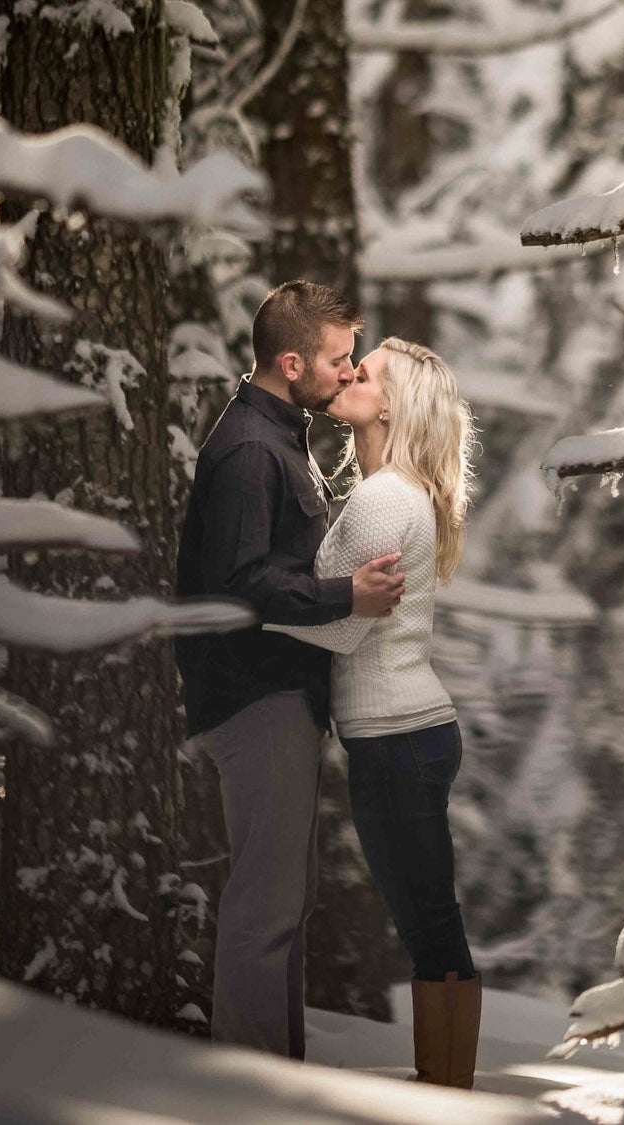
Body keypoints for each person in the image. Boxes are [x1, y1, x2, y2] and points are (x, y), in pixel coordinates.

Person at [175, 281, 407, 1059]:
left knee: (287, 901)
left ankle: (282, 1082)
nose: (348, 371)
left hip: (282, 698)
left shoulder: (282, 435)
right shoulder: (248, 449)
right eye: (338, 359)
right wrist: (351, 595)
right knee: (264, 908)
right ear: (289, 360)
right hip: (255, 700)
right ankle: (249, 1092)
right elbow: (243, 582)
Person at [269, 337, 482, 1090]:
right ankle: (447, 1086)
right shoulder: (390, 490)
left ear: (391, 404)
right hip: (407, 734)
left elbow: (338, 624)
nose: (350, 373)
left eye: (368, 372)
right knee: (429, 919)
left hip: (398, 741)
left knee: (430, 927)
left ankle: (450, 1094)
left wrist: (249, 605)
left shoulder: (384, 497)